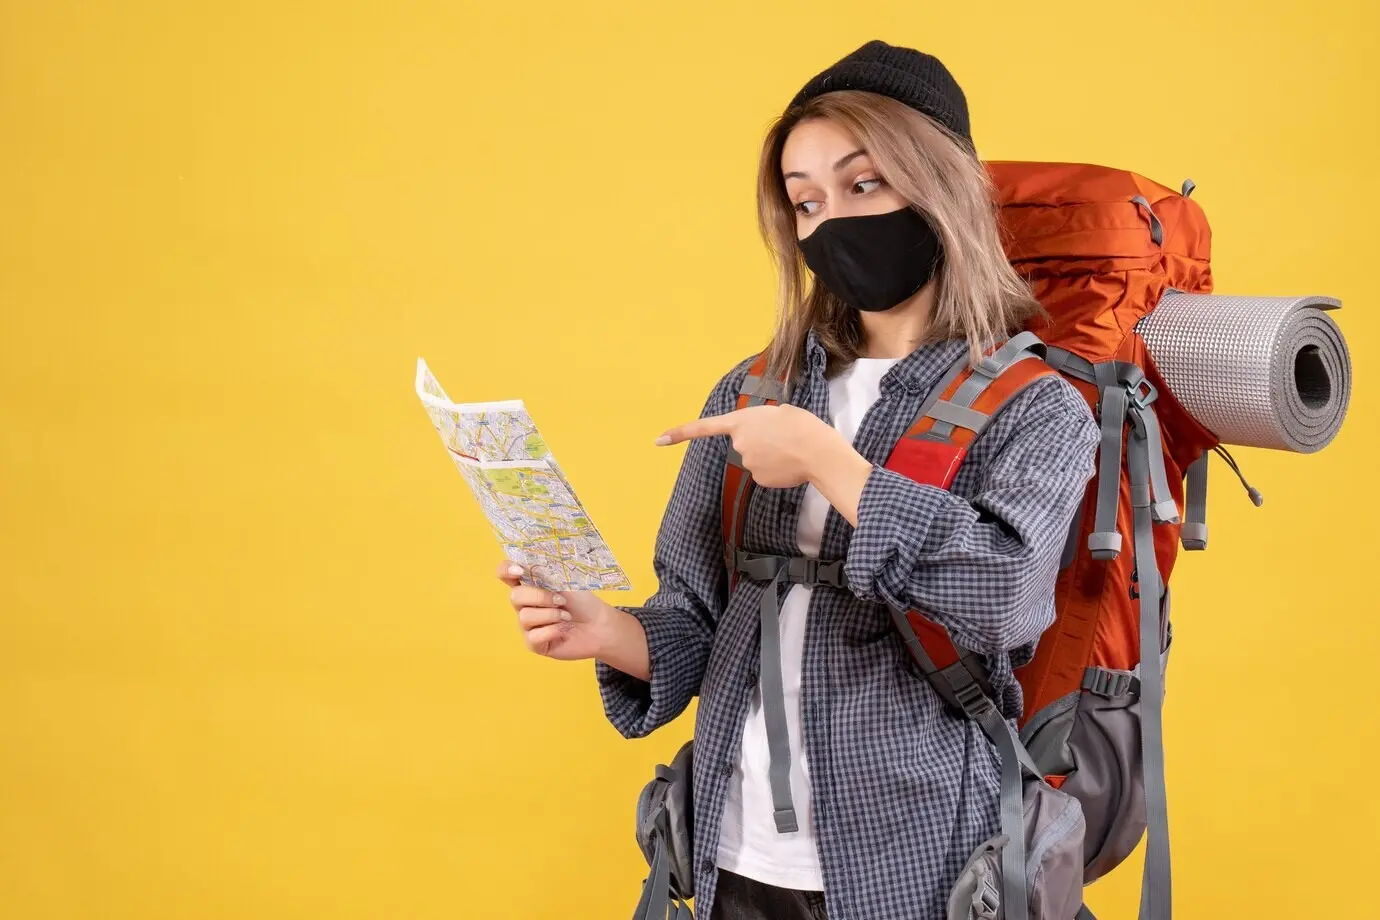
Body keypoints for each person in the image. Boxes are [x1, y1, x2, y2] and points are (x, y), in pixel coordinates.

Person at [497, 41, 1099, 920]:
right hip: (733, 853)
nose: (832, 223)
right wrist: (610, 633)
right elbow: (699, 618)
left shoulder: (1035, 405)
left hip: (921, 851)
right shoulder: (756, 388)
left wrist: (827, 462)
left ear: (942, 187)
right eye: (805, 200)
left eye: (864, 185)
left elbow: (1004, 596)